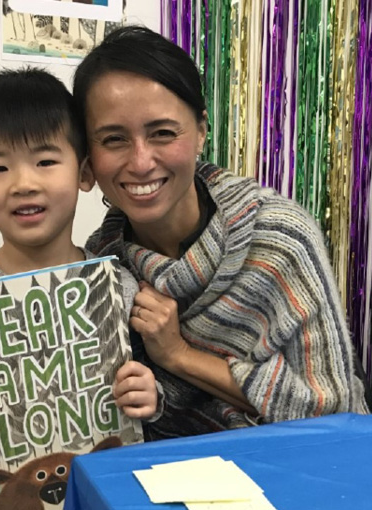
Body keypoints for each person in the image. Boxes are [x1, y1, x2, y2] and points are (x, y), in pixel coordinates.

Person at [73, 25, 369, 440]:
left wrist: (177, 354)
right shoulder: (101, 265)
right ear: (88, 157)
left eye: (162, 133)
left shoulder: (279, 237)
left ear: (200, 132)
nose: (141, 162)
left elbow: (331, 408)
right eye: (114, 139)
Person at [0, 67, 159, 510]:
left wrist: (149, 394)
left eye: (45, 161)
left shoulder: (116, 283)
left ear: (84, 173)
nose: (23, 183)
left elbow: (143, 389)